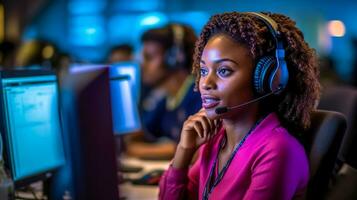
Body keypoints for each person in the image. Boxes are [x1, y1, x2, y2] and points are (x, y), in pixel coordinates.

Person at [159, 12, 320, 199]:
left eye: (224, 71)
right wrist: (184, 151)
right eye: (203, 70)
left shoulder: (277, 150)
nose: (205, 83)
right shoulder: (215, 139)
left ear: (266, 79)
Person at [126, 24, 202, 159]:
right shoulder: (167, 98)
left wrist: (135, 150)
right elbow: (144, 134)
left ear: (173, 59)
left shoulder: (198, 95)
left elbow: (196, 151)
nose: (141, 64)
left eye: (149, 57)